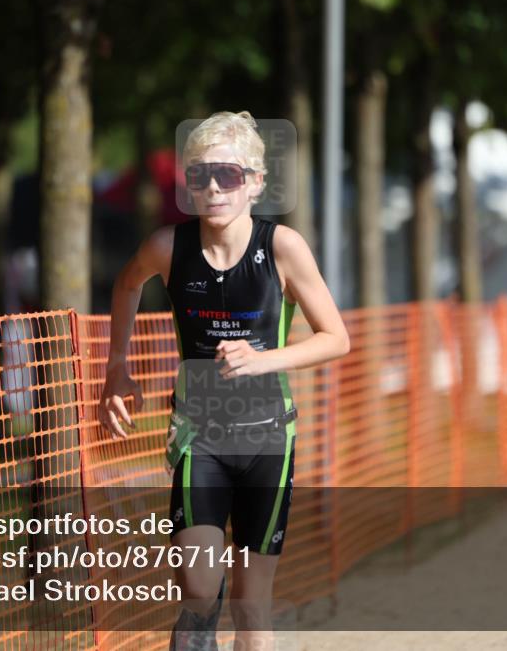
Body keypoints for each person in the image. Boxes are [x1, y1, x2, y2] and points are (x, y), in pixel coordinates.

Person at [97, 111, 349, 650]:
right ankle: (200, 631)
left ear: (256, 182)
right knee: (199, 585)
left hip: (267, 439)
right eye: (199, 176)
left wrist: (264, 359)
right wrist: (117, 366)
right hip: (200, 438)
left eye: (228, 175)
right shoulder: (169, 247)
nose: (213, 187)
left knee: (252, 604)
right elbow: (126, 286)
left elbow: (336, 338)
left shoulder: (282, 247)